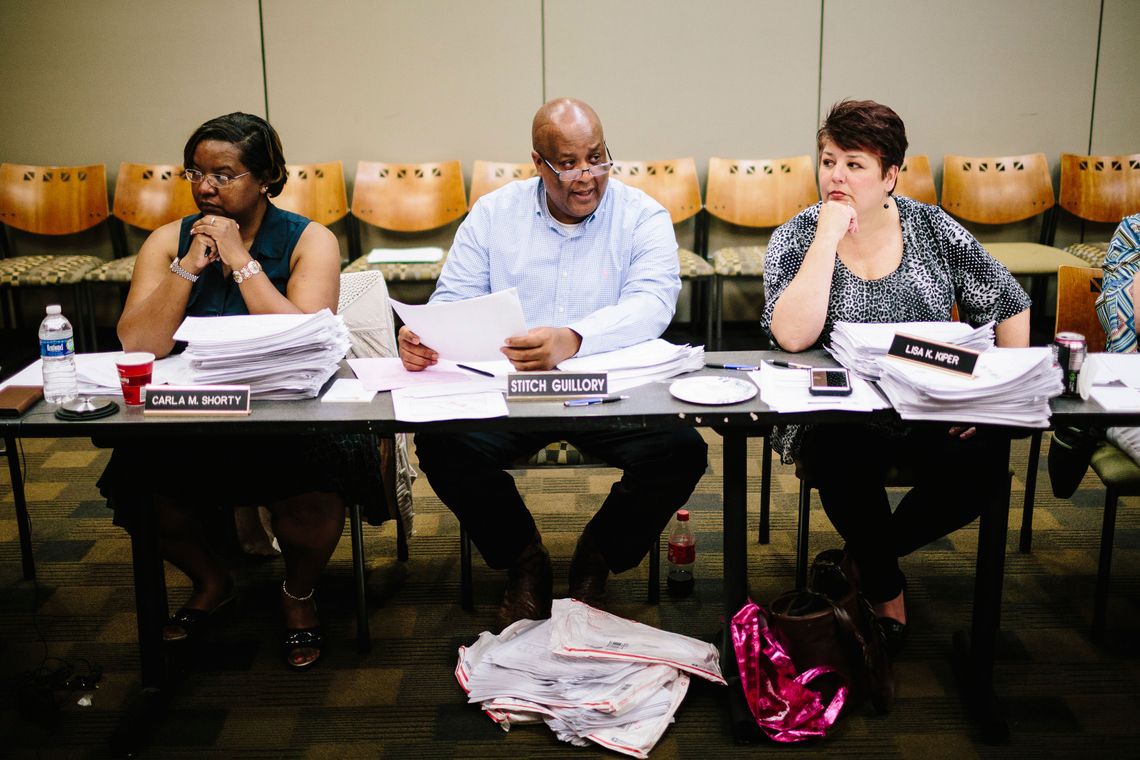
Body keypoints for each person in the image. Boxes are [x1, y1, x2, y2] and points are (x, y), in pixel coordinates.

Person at [399, 98, 708, 630]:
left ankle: (599, 555)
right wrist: (426, 336)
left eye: (597, 158)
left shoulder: (641, 216)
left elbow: (655, 304)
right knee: (441, 444)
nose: (585, 177)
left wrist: (576, 337)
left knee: (681, 452)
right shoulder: (494, 215)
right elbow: (453, 300)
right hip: (511, 392)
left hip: (608, 390)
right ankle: (522, 558)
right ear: (538, 163)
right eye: (567, 163)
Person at [99, 112, 384, 671]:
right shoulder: (167, 241)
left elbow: (300, 340)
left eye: (224, 175)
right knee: (141, 486)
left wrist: (241, 261)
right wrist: (188, 267)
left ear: (266, 179)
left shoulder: (311, 241)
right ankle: (212, 582)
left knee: (317, 488)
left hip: (290, 408)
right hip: (195, 409)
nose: (205, 187)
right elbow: (139, 342)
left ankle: (298, 595)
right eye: (195, 173)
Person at [761, 100, 1031, 653]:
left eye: (855, 164)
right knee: (839, 453)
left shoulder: (930, 227)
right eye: (829, 160)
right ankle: (886, 589)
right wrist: (825, 237)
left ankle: (861, 557)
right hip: (839, 414)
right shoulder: (797, 236)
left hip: (927, 405)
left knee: (986, 464)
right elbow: (791, 335)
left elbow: (1009, 302)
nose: (836, 176)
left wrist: (992, 396)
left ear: (890, 176)